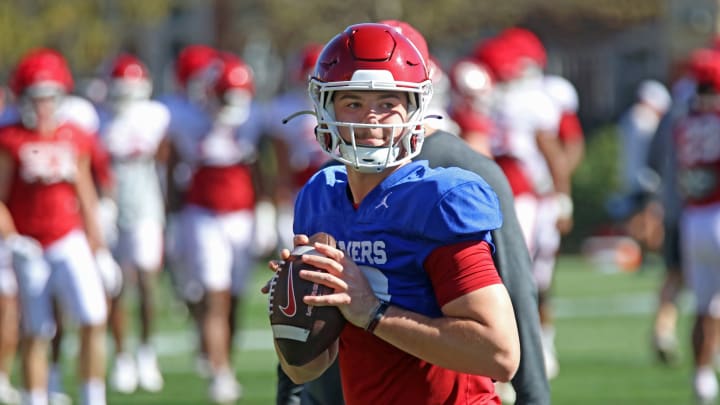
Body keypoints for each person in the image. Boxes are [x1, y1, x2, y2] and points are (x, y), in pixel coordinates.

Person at [274, 20, 549, 405]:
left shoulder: (439, 200)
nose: (371, 119)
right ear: (324, 107)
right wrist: (296, 311)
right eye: (353, 103)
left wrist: (372, 312)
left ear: (414, 110)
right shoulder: (321, 196)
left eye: (388, 104)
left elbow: (499, 354)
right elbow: (306, 368)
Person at [0, 48, 111, 405]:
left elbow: (85, 190)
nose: (43, 104)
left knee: (94, 317)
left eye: (49, 96)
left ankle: (93, 396)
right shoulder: (9, 138)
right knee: (37, 330)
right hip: (29, 244)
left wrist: (100, 246)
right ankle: (36, 398)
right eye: (36, 97)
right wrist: (11, 238)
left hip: (68, 237)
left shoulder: (74, 135)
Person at [164, 48, 265, 404]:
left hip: (242, 215)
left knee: (235, 299)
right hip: (202, 215)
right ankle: (220, 371)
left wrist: (266, 210)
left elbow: (259, 169)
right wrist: (172, 219)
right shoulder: (186, 119)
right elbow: (172, 170)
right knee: (215, 296)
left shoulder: (253, 118)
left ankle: (222, 359)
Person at [98, 53, 169, 394]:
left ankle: (145, 350)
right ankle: (123, 356)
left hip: (146, 207)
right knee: (115, 285)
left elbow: (167, 160)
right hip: (111, 208)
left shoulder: (156, 116)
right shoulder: (97, 119)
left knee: (146, 282)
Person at [672, 47, 720, 404]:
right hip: (717, 211)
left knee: (704, 305)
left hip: (694, 217)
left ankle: (702, 374)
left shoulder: (686, 121)